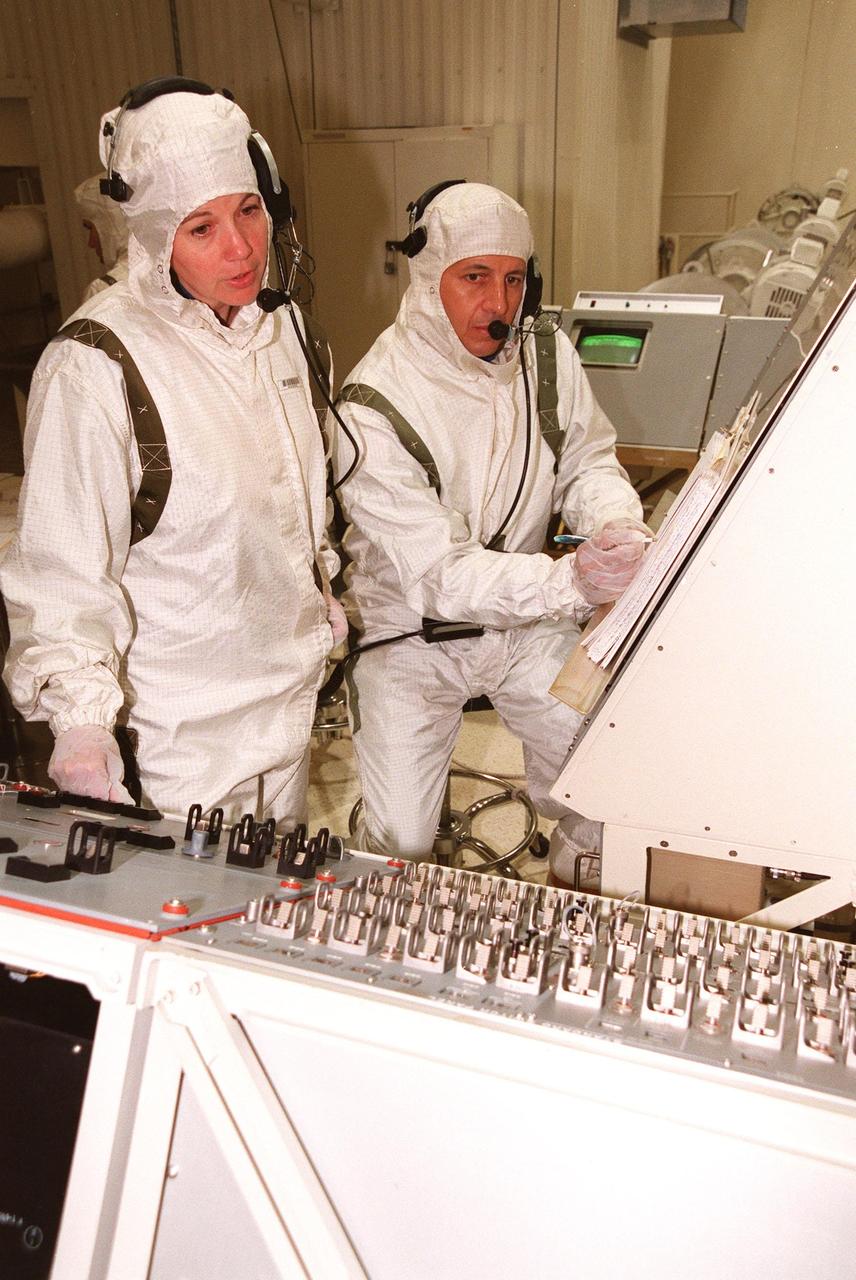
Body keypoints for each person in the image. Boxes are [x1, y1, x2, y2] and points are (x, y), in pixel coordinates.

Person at [0, 81, 345, 824]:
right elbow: (62, 576)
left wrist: (320, 586)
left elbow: (289, 498)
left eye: (250, 210)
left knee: (267, 922)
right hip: (180, 743)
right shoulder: (96, 365)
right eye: (202, 227)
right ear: (155, 237)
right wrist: (83, 723)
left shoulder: (277, 333)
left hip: (287, 709)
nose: (243, 248)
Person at [332, 181, 648, 883]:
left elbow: (589, 461)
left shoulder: (545, 354)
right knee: (401, 848)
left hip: (523, 629)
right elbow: (441, 573)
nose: (499, 303)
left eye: (513, 278)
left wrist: (616, 523)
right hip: (410, 637)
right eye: (474, 277)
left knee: (603, 776)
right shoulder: (370, 403)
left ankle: (579, 899)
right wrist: (571, 580)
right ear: (426, 278)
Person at [73, 173, 130, 299]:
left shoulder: (102, 292)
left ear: (111, 222)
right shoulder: (172, 270)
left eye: (90, 228)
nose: (91, 243)